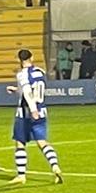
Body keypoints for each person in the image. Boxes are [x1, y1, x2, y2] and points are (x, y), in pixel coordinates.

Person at [10, 48, 63, 185]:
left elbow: (28, 92)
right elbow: (34, 89)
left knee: (20, 143)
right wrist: (16, 90)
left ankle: (21, 175)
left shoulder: (22, 74)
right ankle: (55, 166)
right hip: (42, 110)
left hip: (26, 112)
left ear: (19, 60)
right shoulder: (40, 72)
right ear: (32, 58)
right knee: (42, 142)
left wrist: (32, 109)